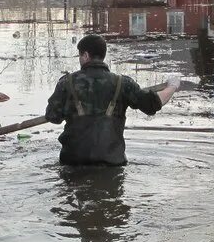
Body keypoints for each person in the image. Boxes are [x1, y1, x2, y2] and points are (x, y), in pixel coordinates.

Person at [44, 34, 180, 165]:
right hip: (112, 162)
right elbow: (154, 104)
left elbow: (52, 116)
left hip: (73, 161)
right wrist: (172, 86)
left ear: (85, 56)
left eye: (80, 55)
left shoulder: (66, 83)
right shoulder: (123, 84)